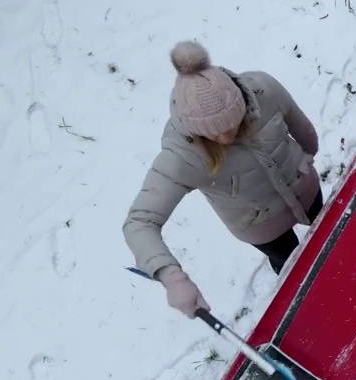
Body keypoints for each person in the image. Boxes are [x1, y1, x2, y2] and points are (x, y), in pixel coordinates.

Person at [124, 40, 322, 318]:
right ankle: (315, 305)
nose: (226, 135)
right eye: (214, 133)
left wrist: (307, 154)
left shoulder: (262, 89)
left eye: (233, 122)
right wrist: (172, 277)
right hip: (262, 225)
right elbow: (140, 222)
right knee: (293, 265)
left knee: (329, 236)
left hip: (305, 188)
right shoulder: (182, 155)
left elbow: (300, 125)